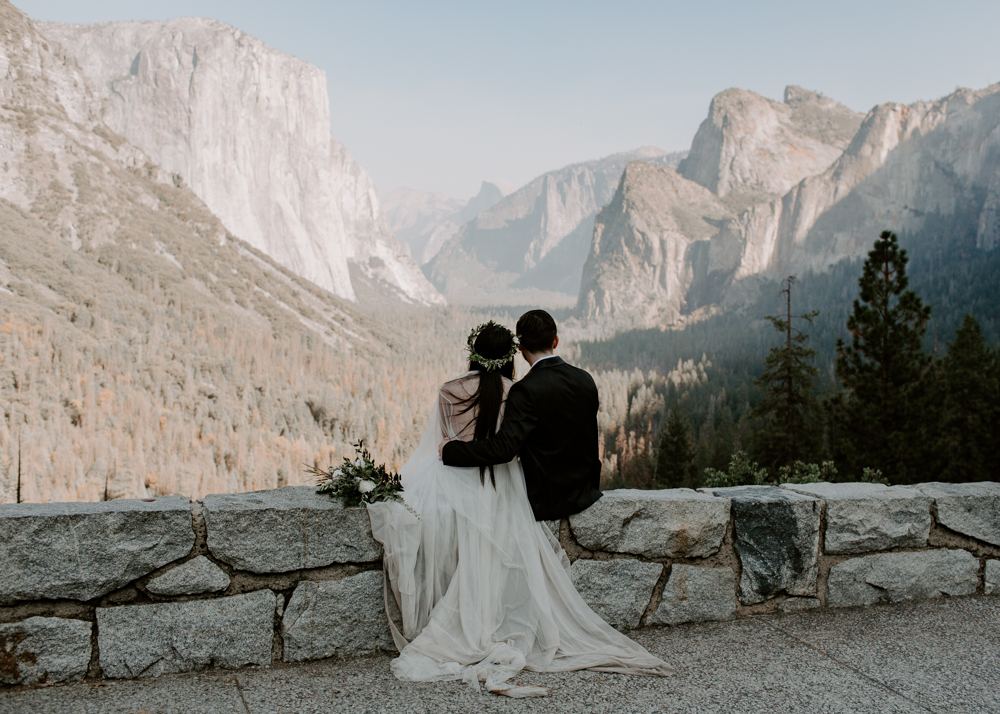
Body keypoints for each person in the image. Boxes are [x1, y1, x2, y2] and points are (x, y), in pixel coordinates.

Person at [367, 316, 672, 698]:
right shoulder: (578, 380)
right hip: (576, 487)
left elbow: (497, 447)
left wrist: (450, 452)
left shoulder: (490, 391)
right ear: (551, 341)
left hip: (485, 475)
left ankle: (467, 624)